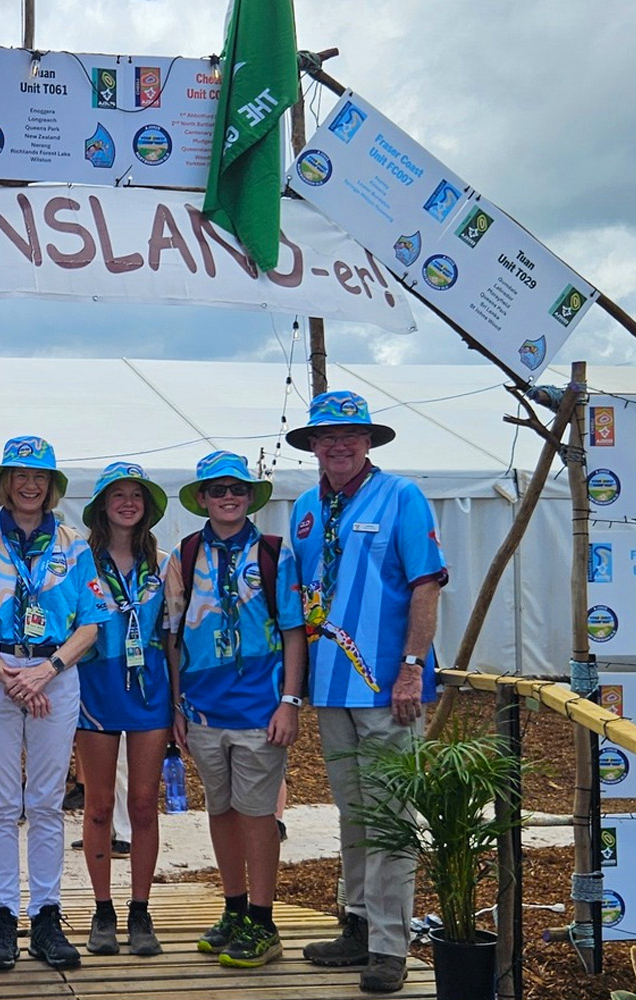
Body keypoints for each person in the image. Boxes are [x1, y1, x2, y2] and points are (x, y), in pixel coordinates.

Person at [286, 392, 447, 995]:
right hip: (330, 687)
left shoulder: (402, 495)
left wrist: (412, 667)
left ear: (369, 441)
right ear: (313, 446)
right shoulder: (306, 507)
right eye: (326, 437)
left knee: (391, 817)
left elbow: (427, 584)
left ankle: (389, 945)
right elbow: (302, 598)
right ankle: (356, 924)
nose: (338, 445)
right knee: (353, 813)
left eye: (350, 435)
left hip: (389, 687)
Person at [0, 436, 114, 972]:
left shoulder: (73, 543)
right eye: (20, 475)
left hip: (53, 676)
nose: (30, 485)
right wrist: (5, 673)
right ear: (4, 484)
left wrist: (46, 670)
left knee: (43, 801)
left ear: (53, 485)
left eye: (40, 476)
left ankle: (45, 914)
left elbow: (92, 620)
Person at [164, 451, 306, 969]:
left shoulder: (274, 553)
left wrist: (289, 702)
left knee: (257, 815)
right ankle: (235, 909)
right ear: (201, 498)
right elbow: (174, 636)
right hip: (202, 711)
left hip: (259, 709)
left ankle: (265, 924)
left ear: (251, 497)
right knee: (220, 811)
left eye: (238, 490)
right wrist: (177, 704)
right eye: (218, 490)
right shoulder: (184, 553)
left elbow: (294, 631)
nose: (228, 498)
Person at [74, 462, 171, 956]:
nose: (128, 502)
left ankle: (140, 909)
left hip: (151, 692)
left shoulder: (165, 562)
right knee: (99, 805)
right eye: (119, 495)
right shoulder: (79, 561)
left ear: (148, 506)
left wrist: (176, 702)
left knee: (142, 804)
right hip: (96, 690)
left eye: (137, 495)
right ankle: (102, 908)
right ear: (101, 507)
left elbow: (174, 634)